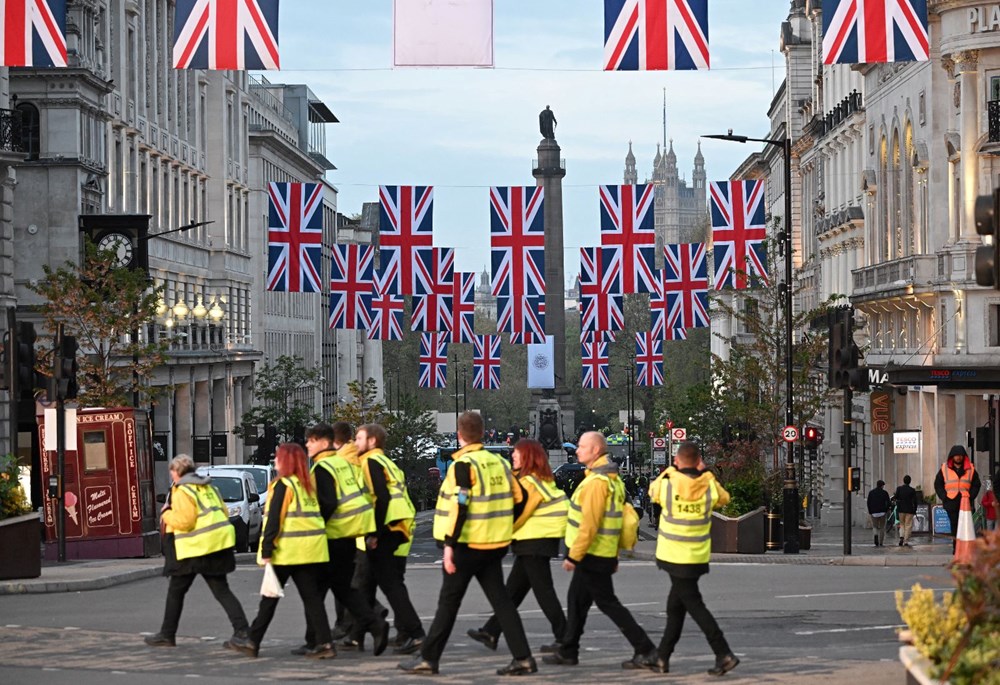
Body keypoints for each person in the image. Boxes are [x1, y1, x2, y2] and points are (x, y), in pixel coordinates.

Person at [399, 412, 537, 676]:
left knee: (448, 603)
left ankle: (428, 658)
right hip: (494, 544)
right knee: (502, 602)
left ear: (460, 435)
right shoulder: (498, 464)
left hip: (466, 545)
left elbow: (461, 506)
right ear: (483, 433)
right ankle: (523, 657)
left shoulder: (463, 465)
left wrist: (449, 545)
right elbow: (521, 499)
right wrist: (507, 526)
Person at [543, 431, 658, 670]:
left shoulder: (596, 483)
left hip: (592, 554)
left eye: (582, 446)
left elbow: (590, 523)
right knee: (577, 601)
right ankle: (568, 650)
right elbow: (613, 520)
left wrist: (574, 555)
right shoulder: (610, 479)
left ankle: (645, 649)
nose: (577, 450)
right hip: (600, 552)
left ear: (595, 451)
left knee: (607, 603)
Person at [229, 443, 334, 659]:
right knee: (312, 600)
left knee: (269, 598)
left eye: (278, 458)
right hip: (312, 551)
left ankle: (252, 641)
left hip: (287, 551)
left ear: (286, 461)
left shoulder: (283, 486)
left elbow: (274, 521)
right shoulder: (306, 486)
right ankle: (324, 644)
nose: (275, 461)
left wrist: (266, 550)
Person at [467, 438, 568, 652]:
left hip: (533, 542)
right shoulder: (540, 480)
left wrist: (499, 532)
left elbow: (519, 514)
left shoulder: (529, 483)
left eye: (517, 453)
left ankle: (566, 639)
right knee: (512, 591)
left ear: (528, 457)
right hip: (535, 542)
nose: (512, 456)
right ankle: (491, 631)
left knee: (544, 593)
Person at [647, 442, 739, 676]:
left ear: (677, 460)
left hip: (673, 554)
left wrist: (669, 471)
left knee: (694, 606)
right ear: (698, 460)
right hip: (696, 555)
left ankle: (723, 653)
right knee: (675, 608)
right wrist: (707, 473)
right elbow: (724, 499)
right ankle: (662, 656)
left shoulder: (668, 483)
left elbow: (652, 492)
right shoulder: (708, 485)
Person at [298, 422, 389, 657]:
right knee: (342, 588)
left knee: (314, 592)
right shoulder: (343, 463)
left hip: (333, 535)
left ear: (325, 442)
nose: (307, 444)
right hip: (351, 533)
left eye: (312, 440)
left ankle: (318, 641)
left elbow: (328, 503)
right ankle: (374, 624)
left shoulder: (323, 467)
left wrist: (316, 526)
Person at [145, 454, 249, 648]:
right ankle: (243, 632)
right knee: (222, 591)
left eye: (172, 472)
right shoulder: (209, 487)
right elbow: (224, 513)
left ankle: (167, 634)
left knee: (176, 591)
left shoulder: (183, 490)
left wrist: (167, 513)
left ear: (176, 472)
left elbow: (185, 522)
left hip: (196, 549)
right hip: (218, 545)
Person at [355, 424, 425, 655]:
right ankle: (401, 632)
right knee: (390, 581)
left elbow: (381, 498)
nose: (355, 443)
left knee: (390, 584)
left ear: (372, 441)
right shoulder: (388, 462)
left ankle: (415, 634)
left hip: (389, 525)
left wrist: (374, 533)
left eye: (359, 438)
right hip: (402, 523)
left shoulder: (370, 462)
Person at [934, 445, 982, 550]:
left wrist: (971, 497)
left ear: (963, 456)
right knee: (954, 525)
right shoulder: (944, 469)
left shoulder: (970, 469)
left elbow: (976, 484)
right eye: (956, 456)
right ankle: (956, 548)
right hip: (951, 501)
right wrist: (944, 497)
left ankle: (964, 548)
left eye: (960, 456)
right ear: (952, 457)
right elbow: (938, 484)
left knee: (965, 526)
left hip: (965, 501)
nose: (958, 458)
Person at [892, 475, 918, 546]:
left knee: (902, 524)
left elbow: (895, 497)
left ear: (903, 480)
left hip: (901, 509)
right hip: (910, 510)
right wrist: (915, 509)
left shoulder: (899, 489)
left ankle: (901, 537)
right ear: (910, 481)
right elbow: (915, 501)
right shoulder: (912, 490)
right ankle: (906, 540)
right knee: (908, 525)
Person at [866, 480, 891, 547]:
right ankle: (881, 542)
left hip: (874, 512)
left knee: (875, 526)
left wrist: (870, 511)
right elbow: (888, 502)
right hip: (882, 512)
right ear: (882, 486)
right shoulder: (885, 493)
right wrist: (886, 510)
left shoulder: (871, 492)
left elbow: (868, 502)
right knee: (882, 527)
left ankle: (875, 535)